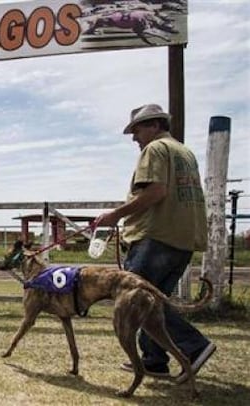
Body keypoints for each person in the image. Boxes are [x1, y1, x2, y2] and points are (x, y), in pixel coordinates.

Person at [93, 103, 215, 383]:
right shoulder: (185, 152)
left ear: (154, 125)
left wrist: (115, 215)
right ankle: (155, 361)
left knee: (141, 303)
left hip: (156, 236)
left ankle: (194, 346)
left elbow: (156, 191)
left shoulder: (155, 149)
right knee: (155, 301)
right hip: (183, 238)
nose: (135, 138)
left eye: (137, 130)